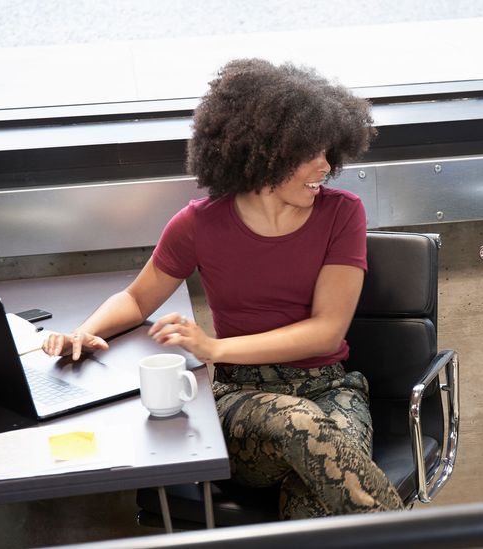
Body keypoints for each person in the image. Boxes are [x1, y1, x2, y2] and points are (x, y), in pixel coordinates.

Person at [42, 58, 403, 519]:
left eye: (330, 151)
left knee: (313, 496)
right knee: (304, 430)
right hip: (241, 400)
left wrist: (213, 346)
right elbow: (136, 299)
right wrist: (83, 332)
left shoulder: (342, 213)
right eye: (310, 153)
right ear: (266, 151)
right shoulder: (198, 225)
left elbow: (326, 333)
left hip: (331, 390)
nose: (326, 166)